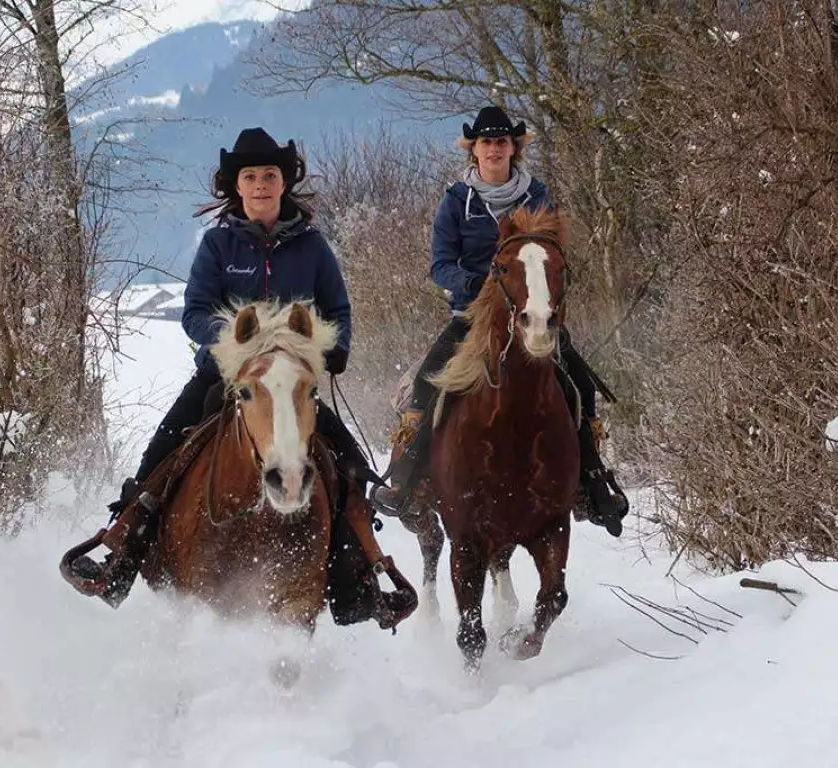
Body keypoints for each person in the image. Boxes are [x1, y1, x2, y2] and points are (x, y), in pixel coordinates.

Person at [75, 127, 382, 599]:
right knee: (162, 453)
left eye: (270, 175)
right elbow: (195, 309)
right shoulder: (218, 246)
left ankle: (364, 575)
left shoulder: (314, 246)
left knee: (350, 465)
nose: (261, 184)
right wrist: (232, 346)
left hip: (292, 384)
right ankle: (122, 547)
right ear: (236, 186)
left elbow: (337, 309)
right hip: (222, 376)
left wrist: (331, 348)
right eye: (251, 177)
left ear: (284, 183)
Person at [373, 106, 629, 536]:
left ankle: (590, 479)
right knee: (427, 381)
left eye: (502, 142)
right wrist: (475, 282)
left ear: (514, 148)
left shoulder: (538, 195)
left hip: (533, 314)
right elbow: (439, 265)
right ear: (474, 150)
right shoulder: (456, 200)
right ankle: (408, 479)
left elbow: (555, 254)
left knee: (580, 386)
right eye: (486, 142)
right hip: (472, 316)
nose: (494, 149)